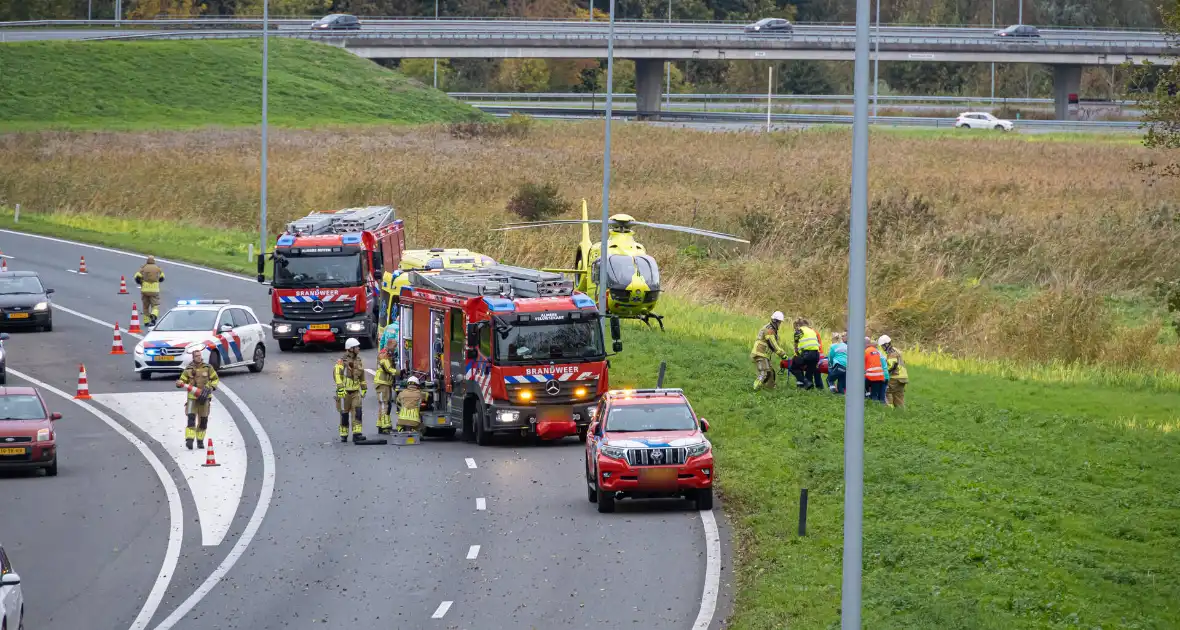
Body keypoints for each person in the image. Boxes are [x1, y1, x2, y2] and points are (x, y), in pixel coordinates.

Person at [176, 346, 219, 451]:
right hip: (192, 398)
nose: (198, 358)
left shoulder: (208, 368)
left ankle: (200, 440)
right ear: (193, 357)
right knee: (191, 419)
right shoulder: (188, 369)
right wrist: (180, 383)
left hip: (205, 398)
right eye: (196, 356)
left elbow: (215, 379)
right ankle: (189, 440)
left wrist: (211, 387)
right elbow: (182, 380)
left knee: (203, 420)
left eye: (199, 356)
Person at [334, 337, 368, 443]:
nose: (359, 348)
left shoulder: (359, 360)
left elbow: (361, 375)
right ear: (351, 348)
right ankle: (344, 434)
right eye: (356, 347)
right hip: (345, 392)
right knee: (344, 414)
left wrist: (364, 388)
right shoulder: (342, 361)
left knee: (357, 412)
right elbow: (337, 375)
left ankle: (357, 434)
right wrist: (340, 388)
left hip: (355, 391)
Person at [751, 311, 790, 390]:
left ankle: (770, 387)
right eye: (779, 322)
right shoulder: (769, 330)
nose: (780, 324)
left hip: (764, 354)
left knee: (771, 372)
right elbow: (773, 345)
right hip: (760, 353)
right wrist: (782, 354)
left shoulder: (772, 329)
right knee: (764, 372)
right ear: (775, 321)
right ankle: (755, 388)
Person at [789, 318, 824, 390]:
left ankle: (805, 381)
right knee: (809, 372)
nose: (795, 329)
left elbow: (796, 347)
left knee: (793, 367)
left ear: (798, 325)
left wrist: (797, 356)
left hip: (807, 354)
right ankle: (809, 388)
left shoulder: (799, 331)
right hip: (816, 355)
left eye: (795, 327)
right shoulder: (812, 331)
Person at [374, 340, 398, 434]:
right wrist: (400, 372)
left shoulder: (387, 354)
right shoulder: (384, 355)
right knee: (384, 405)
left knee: (384, 404)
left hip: (385, 382)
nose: (395, 348)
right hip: (382, 382)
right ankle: (385, 427)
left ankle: (381, 425)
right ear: (390, 345)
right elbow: (388, 369)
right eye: (394, 346)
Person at [134, 255, 165, 326]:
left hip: (145, 289)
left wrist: (141, 282)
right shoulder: (158, 268)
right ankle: (154, 315)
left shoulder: (143, 268)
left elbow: (137, 277)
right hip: (154, 290)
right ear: (154, 261)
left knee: (145, 306)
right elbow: (162, 278)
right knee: (155, 305)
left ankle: (146, 321)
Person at [880, 335, 908, 408]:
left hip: (895, 376)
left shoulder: (891, 352)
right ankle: (900, 412)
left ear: (886, 344)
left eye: (882, 346)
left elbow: (892, 365)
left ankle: (888, 409)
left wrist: (885, 373)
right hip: (903, 377)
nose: (882, 348)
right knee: (898, 396)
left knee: (886, 391)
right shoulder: (896, 350)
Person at [864, 337, 887, 403]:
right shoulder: (876, 351)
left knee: (862, 387)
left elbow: (862, 365)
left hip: (871, 374)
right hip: (880, 374)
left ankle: (867, 399)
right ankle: (875, 402)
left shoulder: (865, 351)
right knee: (875, 392)